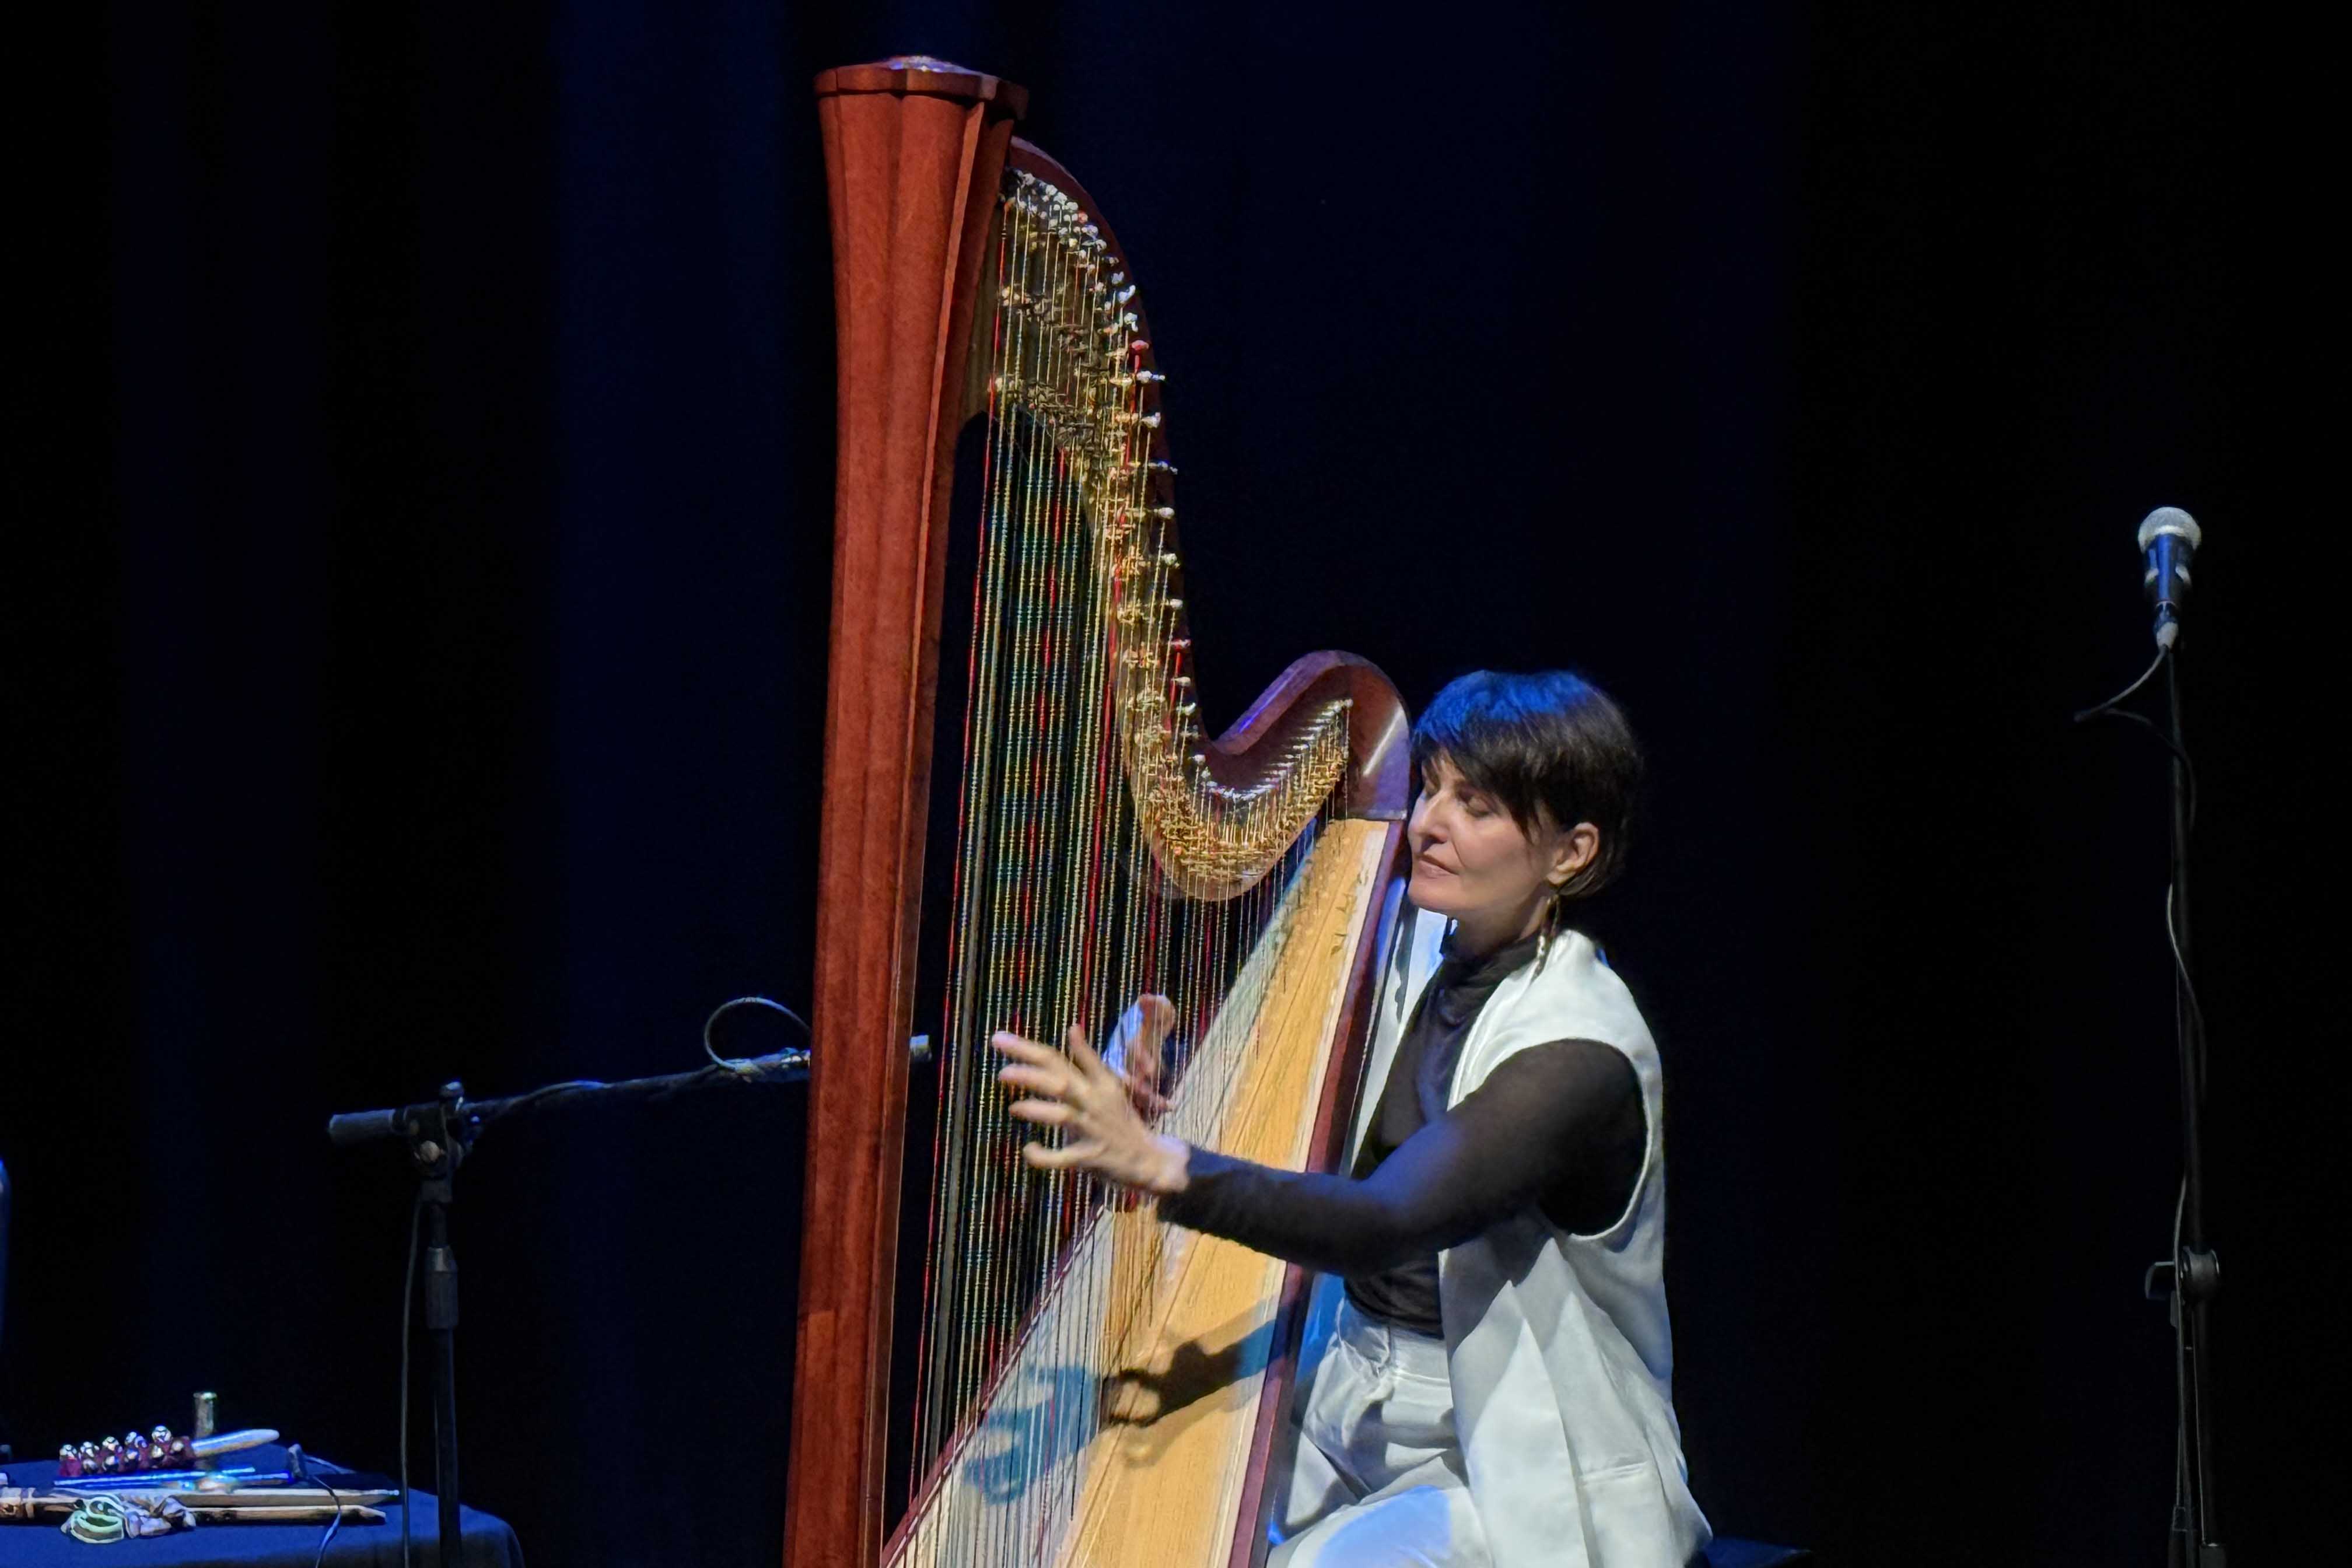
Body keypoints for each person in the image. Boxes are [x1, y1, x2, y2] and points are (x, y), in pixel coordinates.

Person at [991, 670, 1710, 1568]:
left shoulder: (1582, 1052)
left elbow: (1385, 1222)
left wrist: (1166, 1166)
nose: (1426, 825)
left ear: (1569, 853)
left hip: (1504, 1456)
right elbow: (1251, 1066)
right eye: (1431, 787)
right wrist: (1161, 1060)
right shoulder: (1392, 941)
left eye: (1476, 806)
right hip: (1340, 1387)